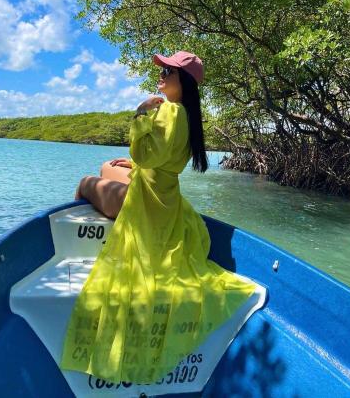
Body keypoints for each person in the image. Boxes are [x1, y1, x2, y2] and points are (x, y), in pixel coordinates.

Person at [60, 51, 257, 384]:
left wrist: (140, 113)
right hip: (164, 196)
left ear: (185, 82)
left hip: (142, 202)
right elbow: (156, 160)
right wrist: (134, 163)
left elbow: (144, 152)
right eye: (163, 69)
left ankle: (82, 213)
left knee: (86, 181)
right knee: (110, 167)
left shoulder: (169, 111)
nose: (161, 75)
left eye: (169, 71)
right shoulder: (188, 116)